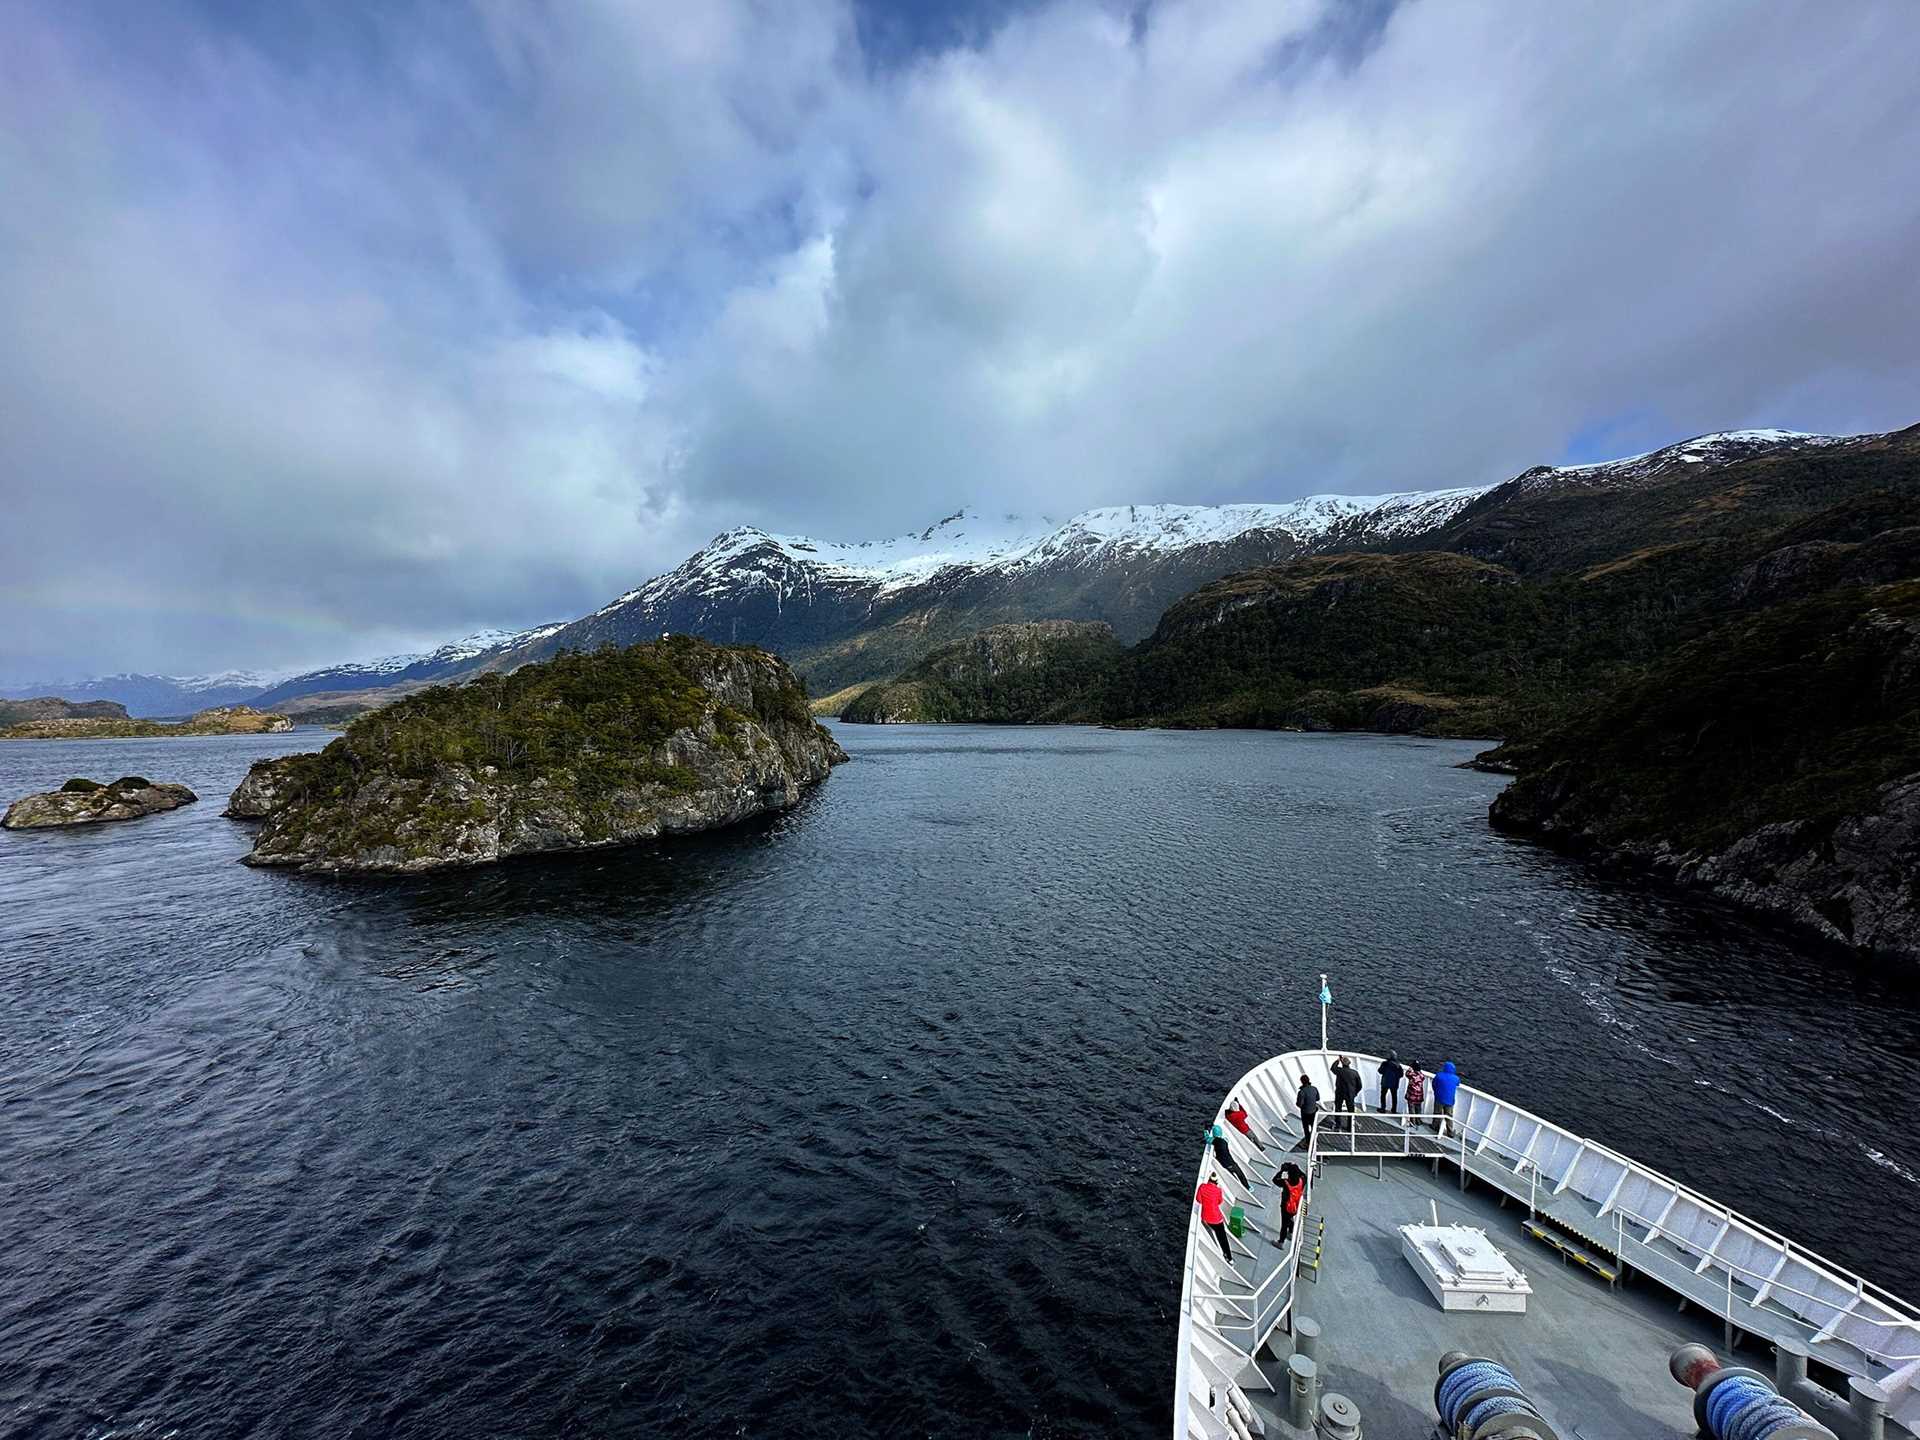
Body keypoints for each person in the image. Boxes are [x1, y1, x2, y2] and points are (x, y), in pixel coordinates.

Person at [1196, 1171, 1234, 1263]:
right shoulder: (1218, 1190)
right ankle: (1229, 1258)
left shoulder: (1202, 1187)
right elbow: (1219, 1202)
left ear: (1209, 1179)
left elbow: (1199, 1200)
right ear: (1216, 1182)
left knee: (1215, 1230)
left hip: (1206, 1218)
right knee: (1223, 1238)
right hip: (1217, 1219)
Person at [1210, 1124, 1252, 1189]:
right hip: (1232, 1163)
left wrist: (1206, 1131)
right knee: (1240, 1175)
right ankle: (1247, 1187)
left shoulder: (1214, 1141)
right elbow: (1224, 1140)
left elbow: (1207, 1139)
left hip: (1225, 1165)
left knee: (1232, 1176)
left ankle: (1239, 1186)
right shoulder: (1224, 1141)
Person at [1276, 1162, 1307, 1248]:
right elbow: (1304, 1175)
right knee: (1290, 1218)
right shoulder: (1302, 1181)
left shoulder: (1286, 1183)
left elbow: (1275, 1180)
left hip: (1286, 1207)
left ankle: (1280, 1242)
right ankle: (1290, 1233)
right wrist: (1296, 1168)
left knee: (1284, 1224)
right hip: (1296, 1206)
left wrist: (1282, 1171)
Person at [1332, 1055, 1363, 1132]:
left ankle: (1338, 1125)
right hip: (1350, 1094)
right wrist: (1355, 1093)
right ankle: (1350, 1127)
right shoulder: (1355, 1073)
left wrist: (1338, 1060)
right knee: (1351, 1111)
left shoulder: (1339, 1071)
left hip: (1340, 1093)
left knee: (1338, 1109)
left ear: (1342, 1064)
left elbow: (1332, 1068)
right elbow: (1360, 1085)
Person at [1432, 1060, 1461, 1137]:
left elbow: (1434, 1084)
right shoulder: (1456, 1078)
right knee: (1449, 1116)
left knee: (1437, 1113)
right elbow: (1458, 1084)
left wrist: (1436, 1092)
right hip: (1449, 1100)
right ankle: (1450, 1132)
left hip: (1439, 1098)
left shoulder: (1438, 1075)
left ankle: (1435, 1127)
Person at [1295, 1073, 1321, 1146]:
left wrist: (1299, 1105)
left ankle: (1308, 1143)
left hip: (1305, 1113)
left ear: (1302, 1082)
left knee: (1306, 1128)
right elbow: (1318, 1098)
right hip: (1314, 1111)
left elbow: (1299, 1104)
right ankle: (1315, 1141)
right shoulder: (1314, 1088)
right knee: (1313, 1127)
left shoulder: (1302, 1092)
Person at [1405, 1061, 1428, 1127]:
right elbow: (1422, 1077)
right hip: (1419, 1095)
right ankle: (1418, 1121)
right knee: (1418, 1108)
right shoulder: (1421, 1075)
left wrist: (1409, 1069)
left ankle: (1413, 1122)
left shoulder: (1411, 1075)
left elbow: (1407, 1074)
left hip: (1412, 1095)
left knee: (1412, 1109)